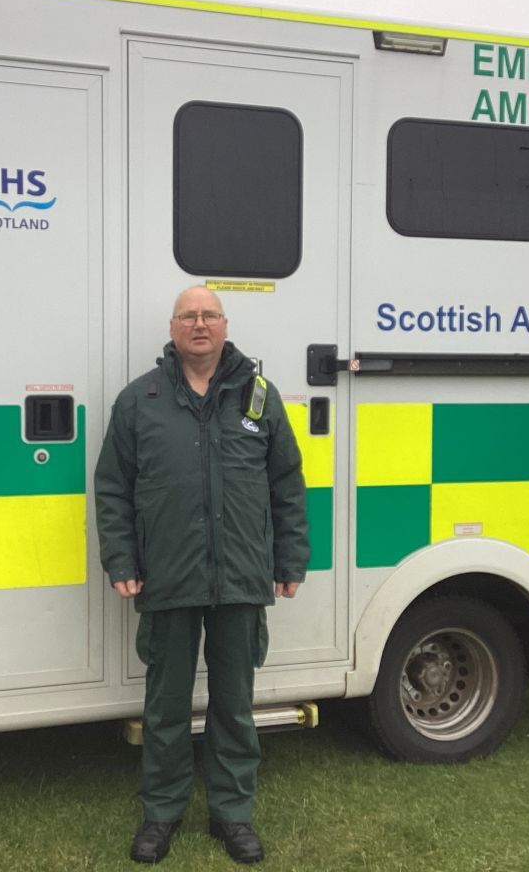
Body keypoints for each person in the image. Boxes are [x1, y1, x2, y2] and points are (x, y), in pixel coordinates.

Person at [95, 286, 309, 864]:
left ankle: (231, 815)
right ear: (172, 327)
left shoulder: (258, 397)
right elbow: (113, 486)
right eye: (188, 315)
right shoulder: (141, 400)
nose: (199, 324)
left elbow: (286, 484)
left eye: (208, 314)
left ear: (224, 324)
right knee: (165, 707)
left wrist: (289, 561)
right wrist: (121, 560)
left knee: (234, 704)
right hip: (166, 577)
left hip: (241, 576)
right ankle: (160, 815)